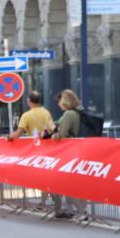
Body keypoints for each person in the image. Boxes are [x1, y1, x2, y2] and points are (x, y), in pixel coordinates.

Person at [52, 89, 83, 219]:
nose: (59, 104)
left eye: (60, 101)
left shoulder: (68, 114)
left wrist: (52, 135)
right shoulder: (78, 112)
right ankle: (71, 210)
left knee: (65, 183)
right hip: (77, 152)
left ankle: (80, 211)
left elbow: (61, 135)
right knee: (71, 182)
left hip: (67, 153)